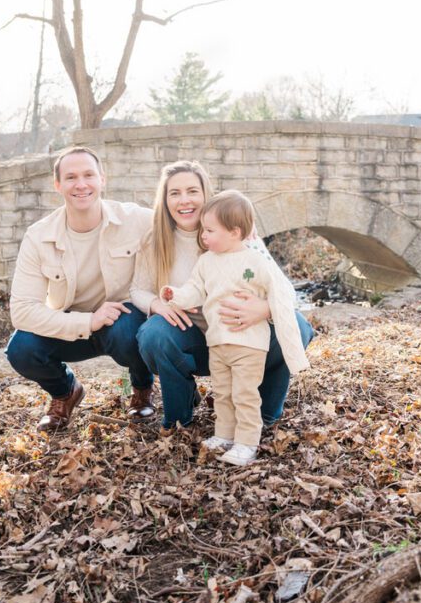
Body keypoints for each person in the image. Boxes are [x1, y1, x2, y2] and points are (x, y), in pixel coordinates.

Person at [133, 160, 314, 434]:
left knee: (297, 325)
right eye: (175, 193)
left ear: (206, 194)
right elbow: (137, 289)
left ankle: (265, 414)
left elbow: (286, 292)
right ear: (165, 199)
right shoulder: (154, 240)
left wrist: (264, 310)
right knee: (153, 334)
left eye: (192, 191)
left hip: (244, 337)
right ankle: (181, 417)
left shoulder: (238, 234)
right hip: (196, 339)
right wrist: (157, 304)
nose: (184, 200)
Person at [5, 146, 155, 433]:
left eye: (88, 175)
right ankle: (65, 392)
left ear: (102, 179)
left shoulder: (134, 218)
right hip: (71, 325)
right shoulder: (39, 236)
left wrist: (240, 228)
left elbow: (185, 220)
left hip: (120, 319)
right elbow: (22, 311)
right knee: (21, 349)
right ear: (58, 185)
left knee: (129, 333)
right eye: (71, 177)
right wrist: (88, 321)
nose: (81, 184)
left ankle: (142, 387)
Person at [161, 190, 310, 466]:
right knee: (223, 393)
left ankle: (247, 442)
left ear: (234, 232)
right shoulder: (206, 261)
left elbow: (279, 291)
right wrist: (176, 296)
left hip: (248, 344)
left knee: (244, 394)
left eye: (209, 230)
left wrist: (265, 307)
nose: (203, 236)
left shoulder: (254, 261)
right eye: (203, 230)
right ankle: (225, 434)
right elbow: (195, 289)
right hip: (217, 342)